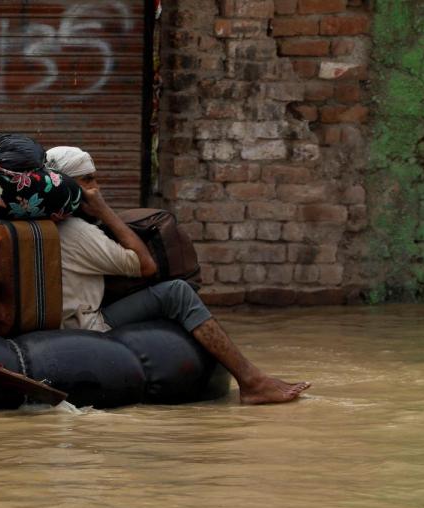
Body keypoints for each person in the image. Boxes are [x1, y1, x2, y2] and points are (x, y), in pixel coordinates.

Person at [45, 146, 309, 405]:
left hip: (58, 320)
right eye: (88, 180)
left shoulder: (42, 223)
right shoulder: (76, 231)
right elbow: (145, 265)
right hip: (82, 326)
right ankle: (251, 382)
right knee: (177, 292)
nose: (97, 188)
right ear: (69, 187)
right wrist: (104, 210)